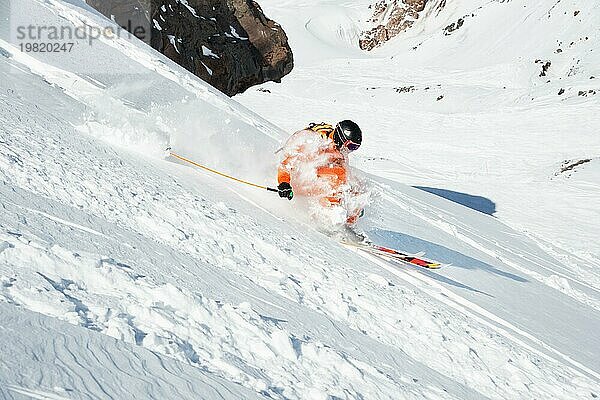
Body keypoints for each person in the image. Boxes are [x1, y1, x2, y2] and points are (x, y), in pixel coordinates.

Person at [276, 120, 364, 225]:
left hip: (314, 177)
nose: (350, 150)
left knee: (356, 186)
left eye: (354, 148)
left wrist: (355, 200)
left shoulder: (338, 150)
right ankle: (327, 218)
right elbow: (286, 164)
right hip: (297, 180)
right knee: (336, 179)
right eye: (350, 146)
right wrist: (284, 183)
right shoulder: (313, 142)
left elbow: (346, 178)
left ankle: (348, 224)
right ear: (341, 138)